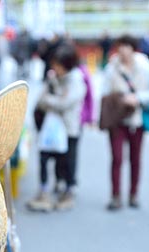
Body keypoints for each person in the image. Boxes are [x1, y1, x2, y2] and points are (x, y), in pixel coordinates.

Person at [102, 35, 149, 210]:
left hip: (136, 119)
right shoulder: (111, 68)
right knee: (117, 158)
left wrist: (138, 98)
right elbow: (104, 93)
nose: (123, 50)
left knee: (135, 158)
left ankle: (133, 194)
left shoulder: (145, 67)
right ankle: (115, 195)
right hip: (117, 119)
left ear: (133, 48)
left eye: (126, 46)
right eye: (120, 46)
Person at [27, 44, 86, 212]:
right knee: (45, 157)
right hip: (50, 128)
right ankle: (45, 191)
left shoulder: (76, 80)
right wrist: (55, 97)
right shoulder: (53, 78)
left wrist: (52, 99)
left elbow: (65, 103)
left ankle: (68, 190)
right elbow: (41, 100)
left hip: (69, 128)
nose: (55, 68)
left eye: (58, 65)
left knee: (67, 161)